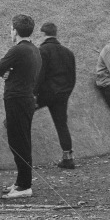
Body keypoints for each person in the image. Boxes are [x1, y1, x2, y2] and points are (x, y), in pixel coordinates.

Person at [0, 14, 43, 199]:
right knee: (22, 140)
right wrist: (10, 72)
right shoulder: (34, 50)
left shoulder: (17, 50)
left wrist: (6, 71)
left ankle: (25, 186)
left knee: (18, 142)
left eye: (11, 29)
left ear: (15, 30)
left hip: (17, 99)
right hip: (27, 98)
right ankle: (21, 181)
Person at [36, 22, 77, 169]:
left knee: (22, 111)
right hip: (62, 94)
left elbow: (39, 76)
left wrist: (34, 94)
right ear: (55, 33)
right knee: (61, 124)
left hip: (45, 94)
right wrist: (66, 92)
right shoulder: (68, 52)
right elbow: (72, 77)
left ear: (42, 34)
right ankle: (68, 157)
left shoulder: (42, 51)